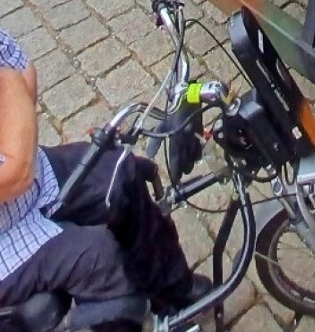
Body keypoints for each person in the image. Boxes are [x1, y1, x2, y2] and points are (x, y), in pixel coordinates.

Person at [0, 27, 209, 330]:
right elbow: (14, 172)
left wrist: (12, 113)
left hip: (33, 178)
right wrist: (7, 85)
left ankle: (172, 291)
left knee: (122, 172)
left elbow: (21, 67)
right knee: (98, 259)